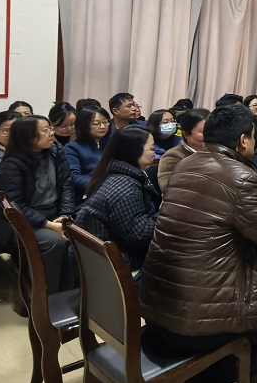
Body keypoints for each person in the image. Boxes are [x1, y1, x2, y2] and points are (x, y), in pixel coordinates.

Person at [140, 105, 257, 383]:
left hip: (157, 304)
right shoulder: (242, 176)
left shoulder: (185, 164)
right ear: (243, 141)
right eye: (253, 136)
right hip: (194, 319)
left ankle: (209, 365)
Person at [0, 115, 78, 293]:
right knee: (55, 241)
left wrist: (64, 215)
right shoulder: (12, 165)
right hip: (18, 222)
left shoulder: (56, 151)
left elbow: (66, 184)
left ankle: (72, 292)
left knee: (84, 233)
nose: (51, 133)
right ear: (29, 137)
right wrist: (49, 225)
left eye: (50, 128)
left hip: (54, 214)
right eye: (45, 130)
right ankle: (46, 296)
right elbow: (15, 205)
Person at [74, 125, 159, 270]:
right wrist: (165, 215)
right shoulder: (126, 188)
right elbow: (139, 235)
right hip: (116, 261)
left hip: (105, 256)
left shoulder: (115, 173)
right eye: (151, 149)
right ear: (134, 151)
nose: (154, 153)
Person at [157, 107, 209, 193]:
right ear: (186, 134)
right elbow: (170, 189)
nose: (210, 135)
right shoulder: (172, 156)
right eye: (204, 132)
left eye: (212, 131)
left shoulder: (218, 152)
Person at [64, 105, 110, 198]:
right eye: (96, 123)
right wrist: (101, 186)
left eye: (105, 122)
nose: (102, 126)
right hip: (88, 194)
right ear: (84, 125)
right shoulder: (72, 148)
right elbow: (74, 177)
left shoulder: (113, 143)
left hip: (114, 190)